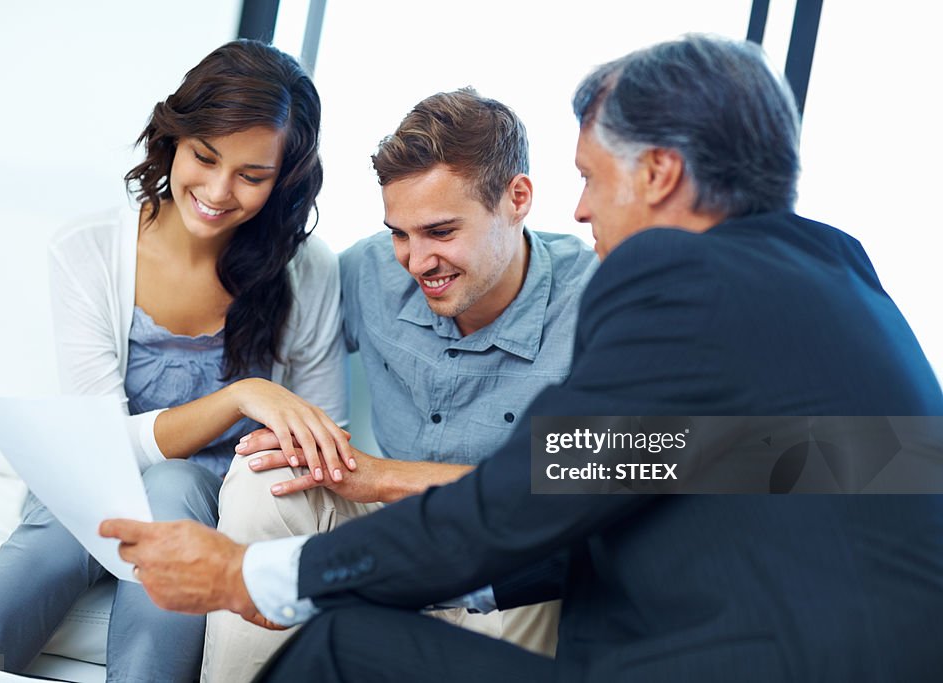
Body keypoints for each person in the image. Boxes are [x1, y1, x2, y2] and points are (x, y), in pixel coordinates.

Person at [102, 34, 943, 681]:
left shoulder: (677, 272)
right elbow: (638, 480)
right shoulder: (838, 281)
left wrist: (248, 576)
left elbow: (530, 490)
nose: (579, 211)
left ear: (657, 172)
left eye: (589, 176)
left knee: (343, 646)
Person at [0, 40, 351, 681]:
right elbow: (97, 444)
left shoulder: (309, 269)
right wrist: (238, 397)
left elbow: (319, 436)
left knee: (171, 483)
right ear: (173, 140)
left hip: (220, 496)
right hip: (91, 474)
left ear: (286, 179)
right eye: (204, 157)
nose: (218, 192)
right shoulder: (89, 249)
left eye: (252, 175)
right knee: (60, 512)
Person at [201, 88, 597, 680]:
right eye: (400, 233)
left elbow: (607, 478)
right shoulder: (368, 273)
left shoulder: (600, 300)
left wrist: (382, 475)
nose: (416, 262)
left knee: (547, 544)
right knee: (270, 471)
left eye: (440, 231)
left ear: (517, 199)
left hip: (510, 564)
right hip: (395, 540)